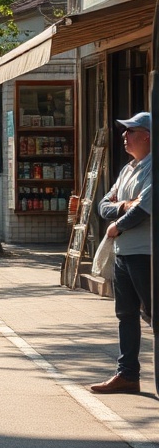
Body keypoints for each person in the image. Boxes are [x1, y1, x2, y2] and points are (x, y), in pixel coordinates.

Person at [90, 111, 152, 395]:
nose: (124, 136)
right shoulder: (129, 168)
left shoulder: (153, 167)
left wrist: (116, 225)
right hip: (124, 254)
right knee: (125, 314)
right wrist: (123, 207)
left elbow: (145, 209)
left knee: (153, 315)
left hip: (147, 253)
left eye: (131, 131)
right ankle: (127, 374)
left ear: (147, 136)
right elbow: (102, 204)